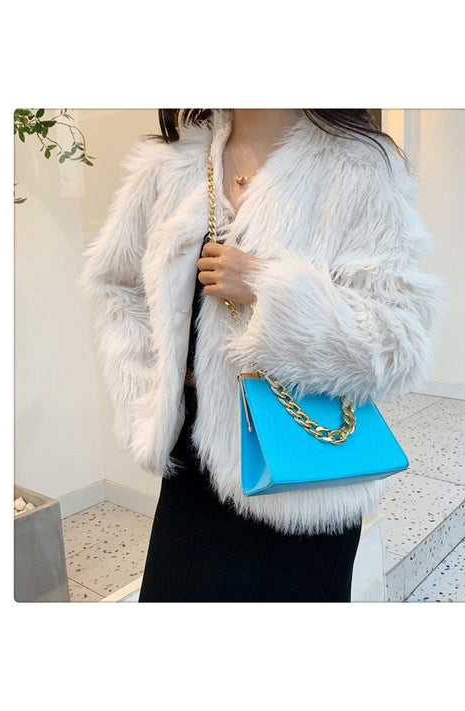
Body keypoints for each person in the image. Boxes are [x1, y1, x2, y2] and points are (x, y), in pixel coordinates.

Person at [80, 109, 443, 602]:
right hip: (194, 463)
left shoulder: (361, 167)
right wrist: (151, 396)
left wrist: (266, 285)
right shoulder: (170, 166)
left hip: (305, 476)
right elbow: (117, 287)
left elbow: (398, 340)